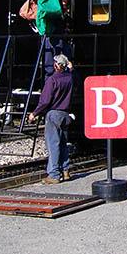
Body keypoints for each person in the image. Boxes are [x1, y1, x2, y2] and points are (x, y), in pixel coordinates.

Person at [28, 54, 73, 184]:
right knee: (63, 143)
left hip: (53, 114)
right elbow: (71, 72)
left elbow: (45, 101)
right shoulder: (69, 78)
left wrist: (34, 113)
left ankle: (53, 174)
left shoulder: (52, 80)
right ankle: (65, 171)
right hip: (65, 114)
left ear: (56, 65)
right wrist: (71, 68)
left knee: (53, 144)